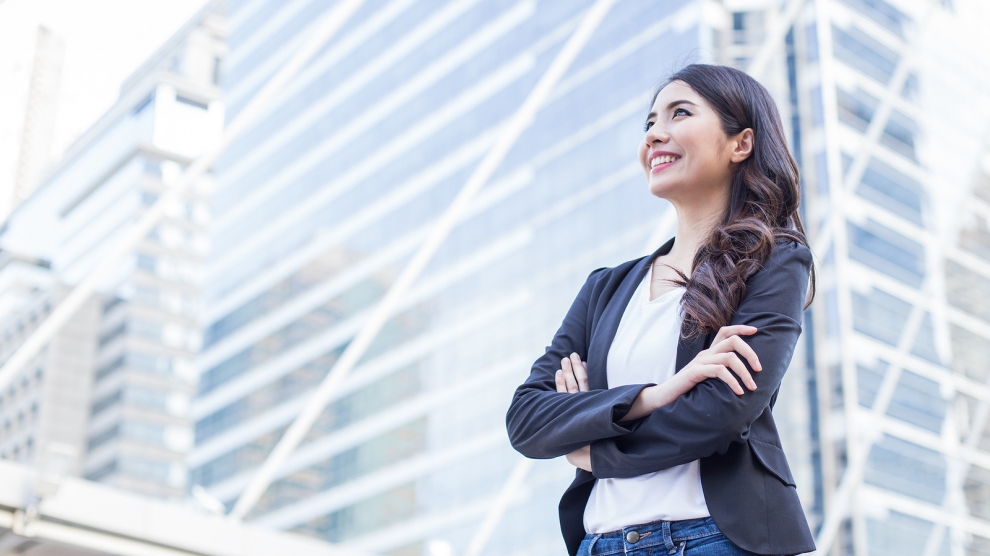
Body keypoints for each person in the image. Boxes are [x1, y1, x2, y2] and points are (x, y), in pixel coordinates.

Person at [505, 64, 817, 556]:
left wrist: (592, 450)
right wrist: (652, 396)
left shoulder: (775, 260)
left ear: (741, 143)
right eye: (649, 123)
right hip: (601, 543)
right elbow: (526, 419)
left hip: (715, 538)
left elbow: (721, 413)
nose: (655, 135)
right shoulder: (604, 289)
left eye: (680, 113)